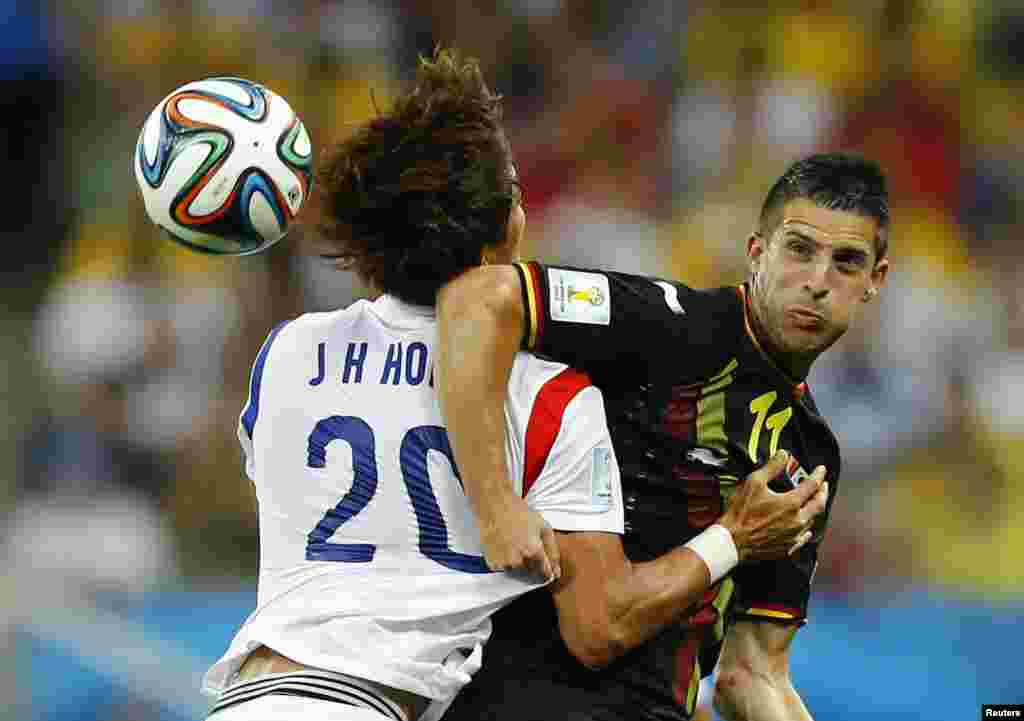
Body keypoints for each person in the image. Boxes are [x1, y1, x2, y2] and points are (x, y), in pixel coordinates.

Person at [201, 49, 828, 721]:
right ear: (502, 237)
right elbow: (602, 624)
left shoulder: (288, 354)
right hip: (365, 705)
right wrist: (733, 535)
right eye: (518, 195)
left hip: (247, 699)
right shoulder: (547, 396)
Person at [436, 152, 890, 720]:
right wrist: (496, 505)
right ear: (757, 252)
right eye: (799, 249)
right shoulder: (666, 324)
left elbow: (752, 675)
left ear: (875, 280)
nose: (818, 282)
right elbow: (480, 297)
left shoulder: (810, 452)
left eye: (847, 263)